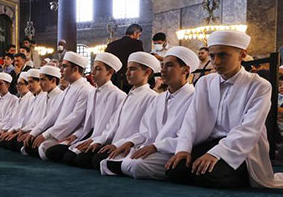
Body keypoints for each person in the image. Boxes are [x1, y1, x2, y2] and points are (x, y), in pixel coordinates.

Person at [166, 31, 283, 188]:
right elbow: (191, 119)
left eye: (223, 55)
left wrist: (217, 153)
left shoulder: (259, 85)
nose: (216, 61)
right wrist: (183, 149)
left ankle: (245, 177)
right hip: (209, 142)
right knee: (175, 170)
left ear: (242, 55)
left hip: (241, 148)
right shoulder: (204, 82)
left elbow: (249, 128)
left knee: (208, 175)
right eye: (212, 56)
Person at [100, 47, 198, 178]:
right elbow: (145, 130)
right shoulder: (160, 98)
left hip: (172, 150)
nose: (162, 70)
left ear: (186, 70)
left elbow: (189, 136)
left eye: (169, 65)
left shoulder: (194, 97)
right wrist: (130, 142)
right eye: (162, 65)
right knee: (107, 161)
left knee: (136, 165)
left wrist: (156, 146)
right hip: (151, 147)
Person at [66, 52, 159, 169]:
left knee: (92, 160)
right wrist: (99, 141)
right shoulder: (130, 94)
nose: (127, 73)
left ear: (147, 72)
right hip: (112, 140)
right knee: (76, 157)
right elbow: (113, 124)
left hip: (130, 144)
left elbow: (145, 131)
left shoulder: (151, 97)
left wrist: (118, 144)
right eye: (127, 69)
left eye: (132, 69)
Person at [45, 52, 125, 163]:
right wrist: (76, 135)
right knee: (56, 153)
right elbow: (87, 123)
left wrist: (96, 140)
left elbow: (114, 126)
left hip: (105, 139)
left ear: (109, 72)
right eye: (93, 68)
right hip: (88, 135)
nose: (93, 72)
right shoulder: (93, 93)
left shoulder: (118, 96)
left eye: (98, 69)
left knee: (78, 159)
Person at [27, 52, 94, 160]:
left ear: (75, 69)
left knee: (47, 150)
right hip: (59, 132)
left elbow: (74, 118)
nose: (61, 70)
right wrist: (35, 132)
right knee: (31, 145)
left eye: (64, 66)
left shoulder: (86, 89)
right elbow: (53, 115)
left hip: (74, 134)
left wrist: (46, 135)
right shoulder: (68, 89)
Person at [0, 72, 33, 146]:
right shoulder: (19, 100)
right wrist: (4, 130)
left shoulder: (31, 99)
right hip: (12, 129)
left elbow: (24, 121)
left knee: (6, 141)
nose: (18, 86)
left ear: (27, 85)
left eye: (20, 84)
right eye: (17, 84)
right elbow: (10, 118)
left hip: (22, 130)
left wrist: (11, 131)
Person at [105, 24, 144, 90]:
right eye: (139, 35)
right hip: (129, 80)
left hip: (113, 79)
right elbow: (140, 60)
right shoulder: (137, 44)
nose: (138, 37)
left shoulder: (111, 45)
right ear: (135, 33)